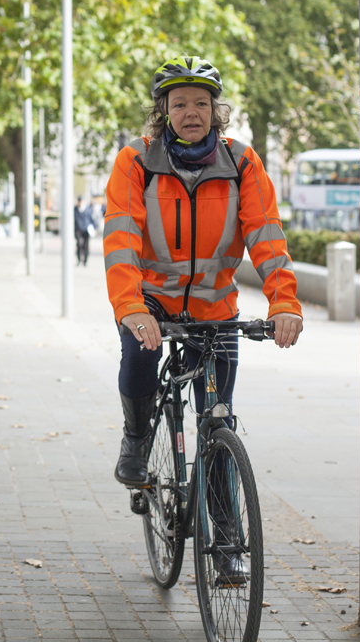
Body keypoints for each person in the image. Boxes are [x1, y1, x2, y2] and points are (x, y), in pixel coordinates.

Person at [103, 54, 303, 491]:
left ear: (215, 111)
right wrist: (131, 308)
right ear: (164, 112)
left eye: (200, 103)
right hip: (152, 299)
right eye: (179, 104)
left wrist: (284, 302)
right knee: (139, 356)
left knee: (217, 418)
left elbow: (267, 236)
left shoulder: (241, 162)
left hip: (215, 307)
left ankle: (228, 538)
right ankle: (135, 438)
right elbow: (120, 239)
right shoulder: (136, 161)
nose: (190, 112)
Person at [74, 196, 94, 265]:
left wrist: (94, 227)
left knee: (86, 245)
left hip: (86, 229)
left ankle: (85, 260)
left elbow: (91, 219)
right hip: (78, 229)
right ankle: (79, 259)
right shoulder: (75, 209)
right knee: (79, 244)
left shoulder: (88, 209)